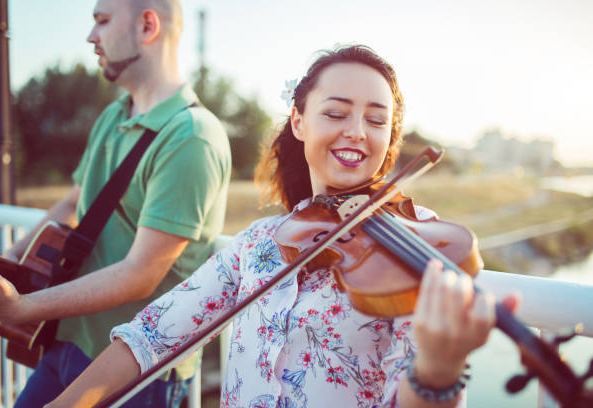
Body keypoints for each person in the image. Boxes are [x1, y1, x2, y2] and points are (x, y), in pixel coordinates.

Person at [44, 45, 518, 408]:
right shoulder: (258, 243)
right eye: (336, 113)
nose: (356, 130)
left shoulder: (418, 245)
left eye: (377, 121)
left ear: (389, 141)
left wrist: (437, 367)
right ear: (299, 121)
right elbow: (151, 336)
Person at [0, 0, 231, 407]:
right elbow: (76, 201)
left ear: (148, 25)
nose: (90, 37)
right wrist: (7, 260)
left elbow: (140, 275)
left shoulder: (192, 138)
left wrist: (20, 307)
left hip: (137, 368)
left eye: (102, 21)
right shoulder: (114, 115)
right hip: (68, 341)